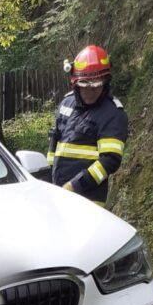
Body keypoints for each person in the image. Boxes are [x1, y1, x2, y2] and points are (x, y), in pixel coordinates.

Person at [48, 45, 128, 206]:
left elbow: (109, 161)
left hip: (88, 202)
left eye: (96, 85)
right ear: (75, 83)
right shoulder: (67, 103)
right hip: (57, 195)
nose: (91, 91)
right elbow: (54, 142)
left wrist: (74, 186)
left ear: (105, 83)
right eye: (85, 85)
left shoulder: (112, 113)